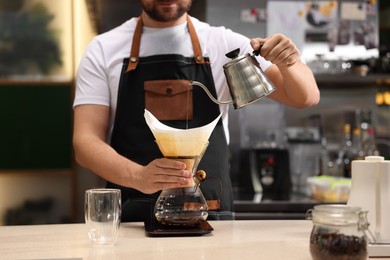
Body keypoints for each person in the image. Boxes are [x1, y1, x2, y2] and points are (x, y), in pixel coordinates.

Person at [73, 0, 320, 221]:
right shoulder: (103, 49)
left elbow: (305, 97)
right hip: (131, 218)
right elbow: (85, 143)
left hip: (210, 216)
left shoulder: (223, 43)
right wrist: (138, 176)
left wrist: (289, 62)